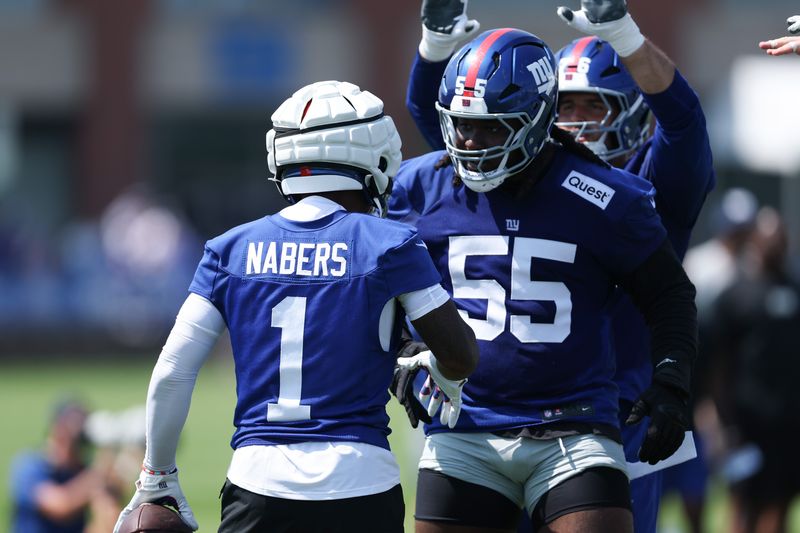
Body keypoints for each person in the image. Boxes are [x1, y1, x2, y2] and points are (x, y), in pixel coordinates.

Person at [112, 80, 479, 533]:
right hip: (360, 479)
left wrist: (157, 476)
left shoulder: (229, 249)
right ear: (371, 155)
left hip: (258, 482)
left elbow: (173, 370)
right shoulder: (391, 244)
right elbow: (461, 354)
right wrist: (439, 370)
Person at [403, 0, 714, 530]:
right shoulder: (495, 161)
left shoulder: (632, 190)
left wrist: (624, 35)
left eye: (595, 106)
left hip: (616, 415)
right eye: (566, 105)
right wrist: (435, 48)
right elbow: (463, 133)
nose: (576, 122)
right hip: (482, 420)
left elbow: (684, 124)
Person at [708, 207, 800, 533]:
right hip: (746, 422)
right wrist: (719, 418)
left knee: (781, 501)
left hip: (789, 422)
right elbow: (717, 364)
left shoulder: (795, 289)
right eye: (769, 238)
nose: (775, 245)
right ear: (755, 242)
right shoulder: (735, 295)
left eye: (780, 238)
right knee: (743, 501)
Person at [9, 399, 122, 533]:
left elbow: (109, 516)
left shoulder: (82, 471)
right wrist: (100, 471)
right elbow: (61, 506)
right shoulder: (30, 466)